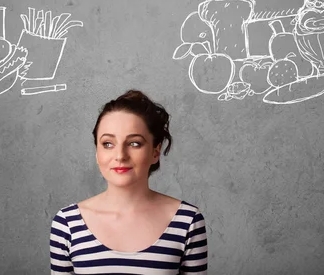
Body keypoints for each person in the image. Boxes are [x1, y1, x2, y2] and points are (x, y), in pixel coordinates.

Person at [49, 90, 208, 274]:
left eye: (134, 143)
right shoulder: (67, 224)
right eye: (108, 144)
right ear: (97, 152)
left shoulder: (188, 221)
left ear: (155, 152)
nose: (120, 156)